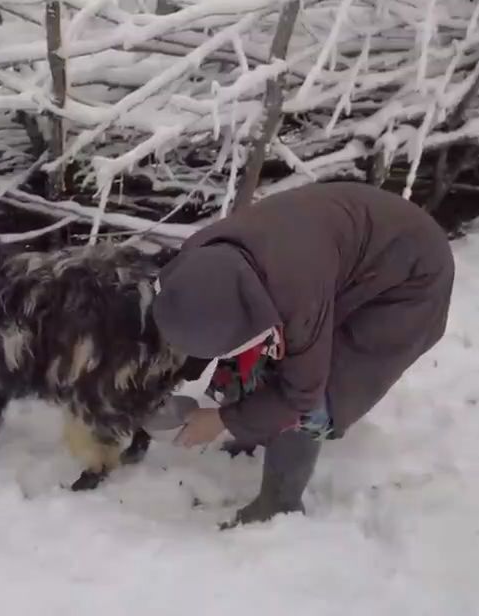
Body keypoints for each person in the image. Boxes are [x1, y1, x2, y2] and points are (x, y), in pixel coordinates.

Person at [151, 181, 455, 526]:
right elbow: (210, 331)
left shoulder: (294, 298)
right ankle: (257, 430)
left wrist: (222, 419)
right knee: (264, 356)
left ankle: (278, 504)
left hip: (411, 276)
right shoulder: (199, 260)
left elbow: (301, 395)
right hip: (347, 248)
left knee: (317, 396)